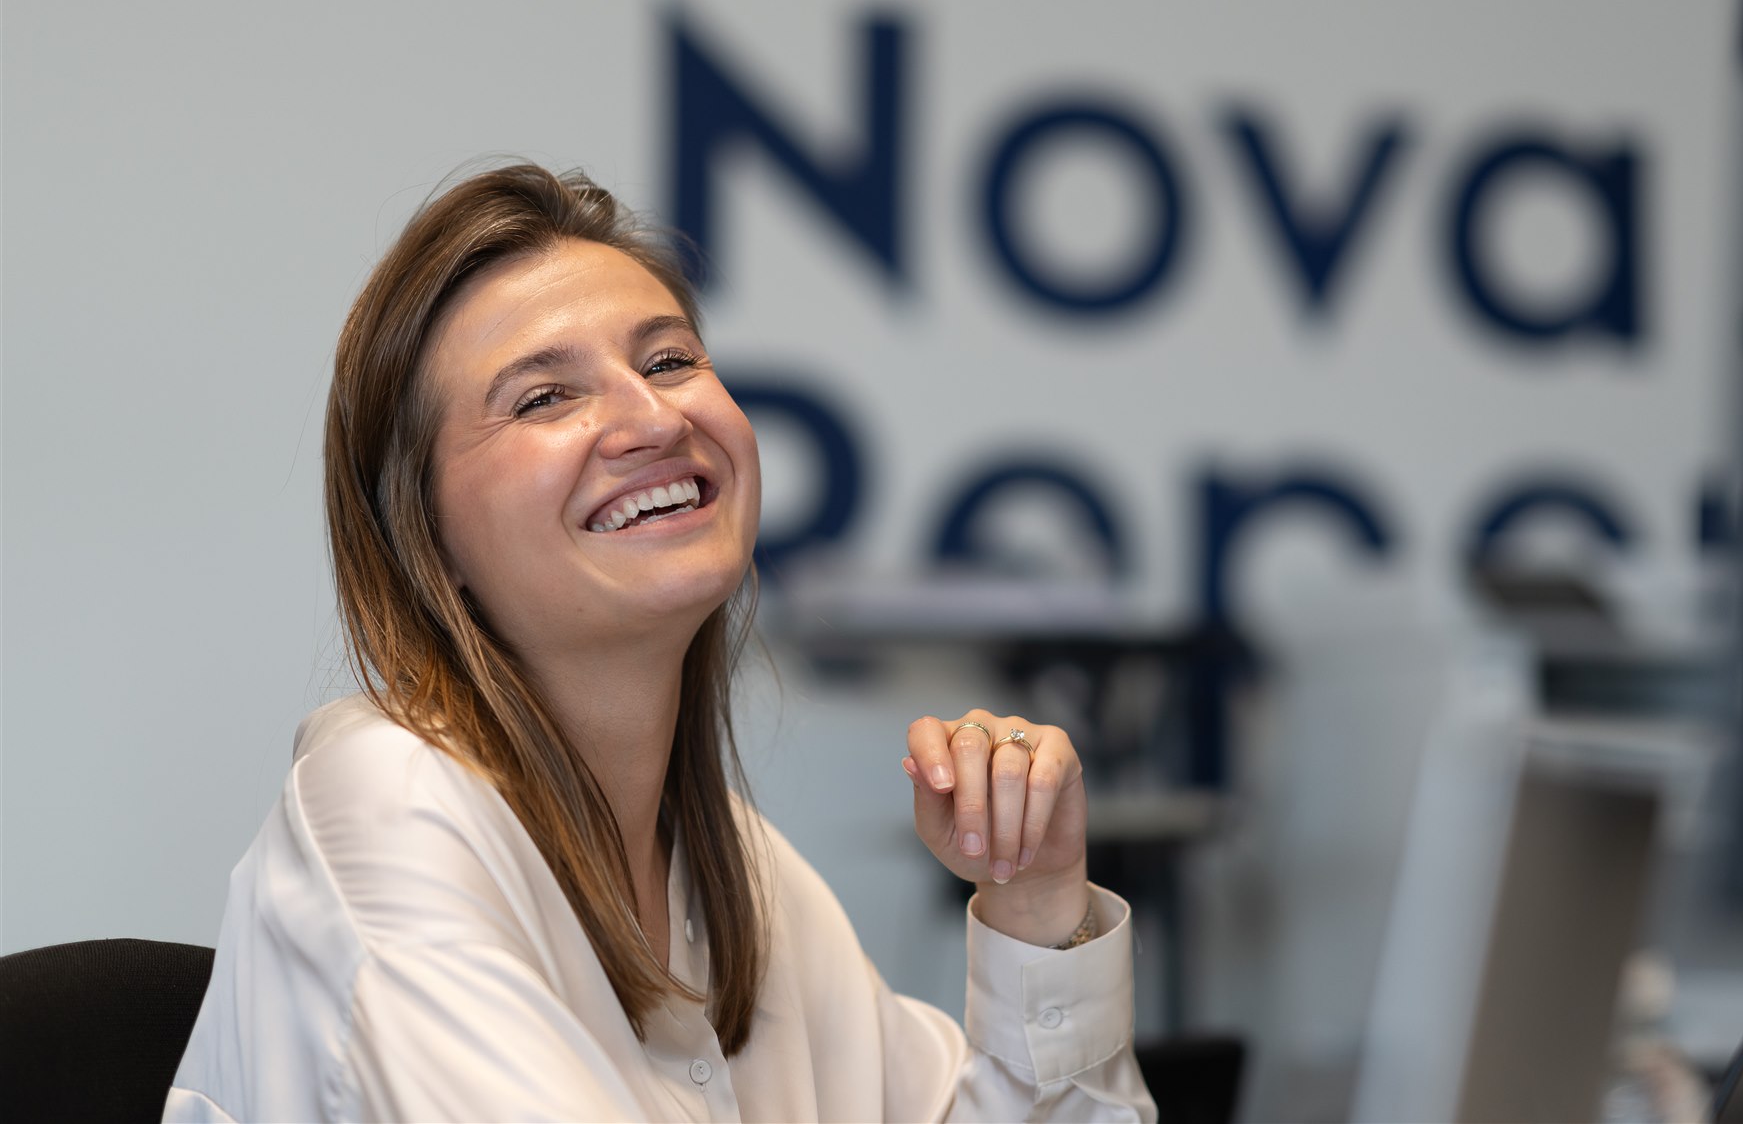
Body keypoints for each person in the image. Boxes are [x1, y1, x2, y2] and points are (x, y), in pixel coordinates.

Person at [164, 164, 1155, 1122]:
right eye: (543, 397)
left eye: (669, 360)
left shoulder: (740, 879)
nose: (650, 417)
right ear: (428, 537)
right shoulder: (391, 801)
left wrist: (1034, 903)